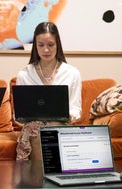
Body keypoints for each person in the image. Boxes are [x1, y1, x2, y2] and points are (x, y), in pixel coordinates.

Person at [15, 21, 82, 160]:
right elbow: (19, 115)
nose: (46, 50)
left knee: (51, 131)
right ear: (35, 46)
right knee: (38, 131)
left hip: (61, 126)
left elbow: (76, 108)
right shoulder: (24, 74)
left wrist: (69, 115)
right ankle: (38, 179)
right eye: (41, 45)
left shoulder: (72, 73)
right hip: (33, 129)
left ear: (58, 44)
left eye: (50, 45)